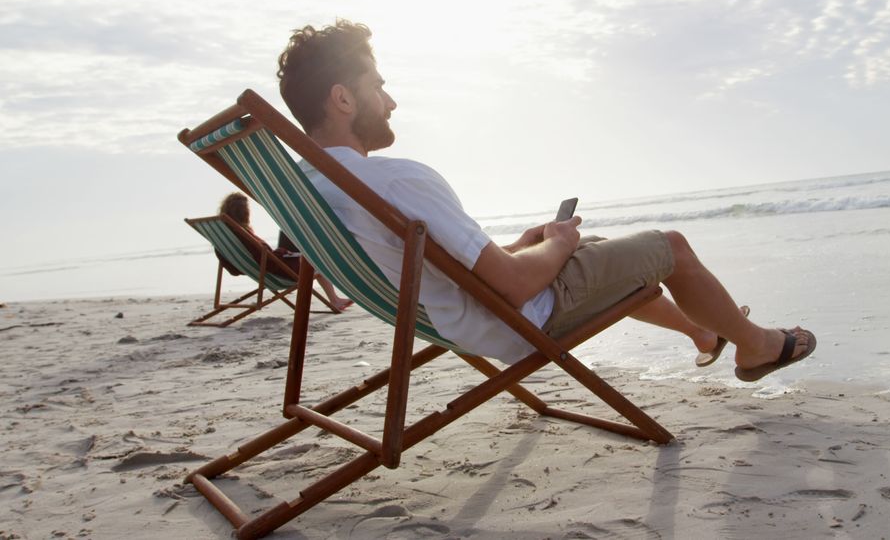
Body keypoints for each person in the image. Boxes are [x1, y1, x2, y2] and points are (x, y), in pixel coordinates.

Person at [276, 20, 815, 380]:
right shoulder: (397, 181)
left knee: (600, 250)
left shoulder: (309, 188)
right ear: (343, 98)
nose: (390, 101)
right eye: (377, 86)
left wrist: (523, 245)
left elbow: (434, 266)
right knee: (669, 246)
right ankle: (756, 346)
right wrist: (556, 246)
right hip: (518, 320)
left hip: (460, 318)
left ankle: (701, 329)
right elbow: (512, 285)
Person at [217, 192, 353, 312]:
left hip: (268, 270)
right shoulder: (243, 234)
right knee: (316, 259)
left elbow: (235, 269)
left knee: (290, 235)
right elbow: (268, 262)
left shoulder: (224, 234)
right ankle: (334, 300)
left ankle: (335, 299)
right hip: (280, 271)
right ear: (245, 213)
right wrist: (282, 251)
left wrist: (279, 253)